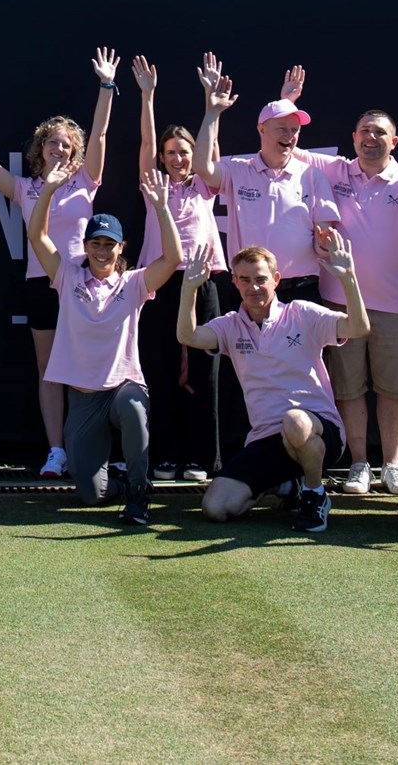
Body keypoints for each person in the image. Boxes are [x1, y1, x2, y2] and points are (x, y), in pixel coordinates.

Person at [0, 48, 121, 479]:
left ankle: (95, 450)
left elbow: (102, 134)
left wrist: (107, 86)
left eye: (66, 143)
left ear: (75, 151)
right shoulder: (25, 187)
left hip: (84, 282)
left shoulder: (85, 181)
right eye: (53, 141)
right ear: (41, 147)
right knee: (49, 369)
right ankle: (56, 451)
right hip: (40, 284)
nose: (59, 146)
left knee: (92, 366)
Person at [178, 231, 368, 534]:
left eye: (260, 279)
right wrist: (189, 289)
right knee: (215, 508)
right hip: (267, 438)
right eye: (244, 280)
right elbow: (188, 336)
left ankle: (314, 494)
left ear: (276, 279)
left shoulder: (302, 313)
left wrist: (349, 279)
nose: (253, 287)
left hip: (320, 430)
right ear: (235, 283)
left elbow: (358, 327)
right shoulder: (229, 325)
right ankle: (286, 486)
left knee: (294, 421)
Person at [27, 164, 183, 526]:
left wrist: (161, 207)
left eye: (109, 244)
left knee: (134, 408)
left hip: (122, 389)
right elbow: (37, 237)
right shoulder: (67, 276)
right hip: (83, 399)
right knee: (90, 494)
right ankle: (121, 485)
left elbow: (173, 259)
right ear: (85, 246)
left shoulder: (133, 283)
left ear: (120, 248)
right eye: (96, 243)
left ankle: (140, 493)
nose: (102, 251)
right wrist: (48, 190)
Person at [308, 110, 398, 497]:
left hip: (392, 306)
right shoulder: (333, 171)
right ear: (353, 138)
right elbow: (286, 148)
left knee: (392, 389)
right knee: (349, 390)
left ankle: (392, 466)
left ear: (394, 141)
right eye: (365, 131)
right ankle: (358, 466)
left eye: (380, 132)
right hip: (340, 303)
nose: (371, 138)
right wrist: (288, 101)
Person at [133, 55, 225, 483]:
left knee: (204, 374)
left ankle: (202, 459)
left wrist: (211, 104)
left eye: (183, 152)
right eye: (171, 153)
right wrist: (147, 96)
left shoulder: (207, 184)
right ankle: (164, 457)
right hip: (161, 281)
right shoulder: (155, 185)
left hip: (202, 281)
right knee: (162, 368)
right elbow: (147, 147)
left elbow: (210, 151)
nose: (177, 159)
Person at [191, 55, 340, 301]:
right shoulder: (238, 171)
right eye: (282, 128)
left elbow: (323, 239)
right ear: (262, 129)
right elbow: (201, 167)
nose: (289, 136)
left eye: (295, 130)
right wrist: (212, 113)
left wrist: (325, 242)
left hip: (300, 290)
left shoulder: (312, 176)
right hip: (248, 289)